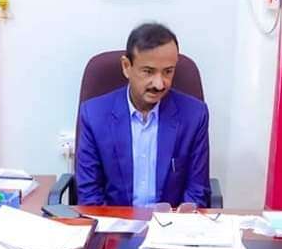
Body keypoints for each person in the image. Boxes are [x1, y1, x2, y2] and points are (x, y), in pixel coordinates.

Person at [75, 22, 210, 207]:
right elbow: (89, 195)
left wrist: (177, 223)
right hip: (114, 221)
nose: (159, 84)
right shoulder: (93, 115)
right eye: (148, 72)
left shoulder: (194, 115)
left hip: (171, 222)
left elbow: (197, 191)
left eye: (168, 72)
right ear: (126, 66)